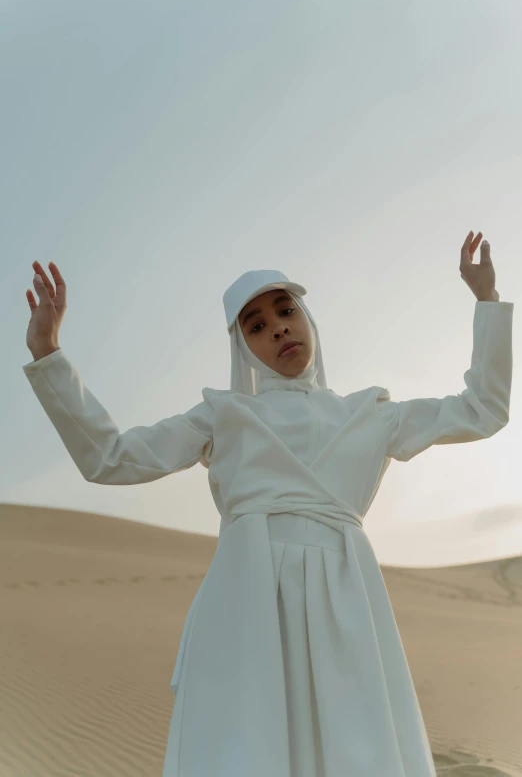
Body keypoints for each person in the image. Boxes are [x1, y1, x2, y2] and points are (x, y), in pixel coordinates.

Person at [23, 231, 513, 777]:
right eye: (256, 325)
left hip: (347, 602)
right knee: (247, 750)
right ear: (243, 347)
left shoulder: (371, 414)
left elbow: (481, 409)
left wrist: (487, 302)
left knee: (358, 749)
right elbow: (110, 458)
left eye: (286, 310)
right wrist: (49, 354)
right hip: (248, 601)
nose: (278, 325)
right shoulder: (223, 415)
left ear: (307, 320)